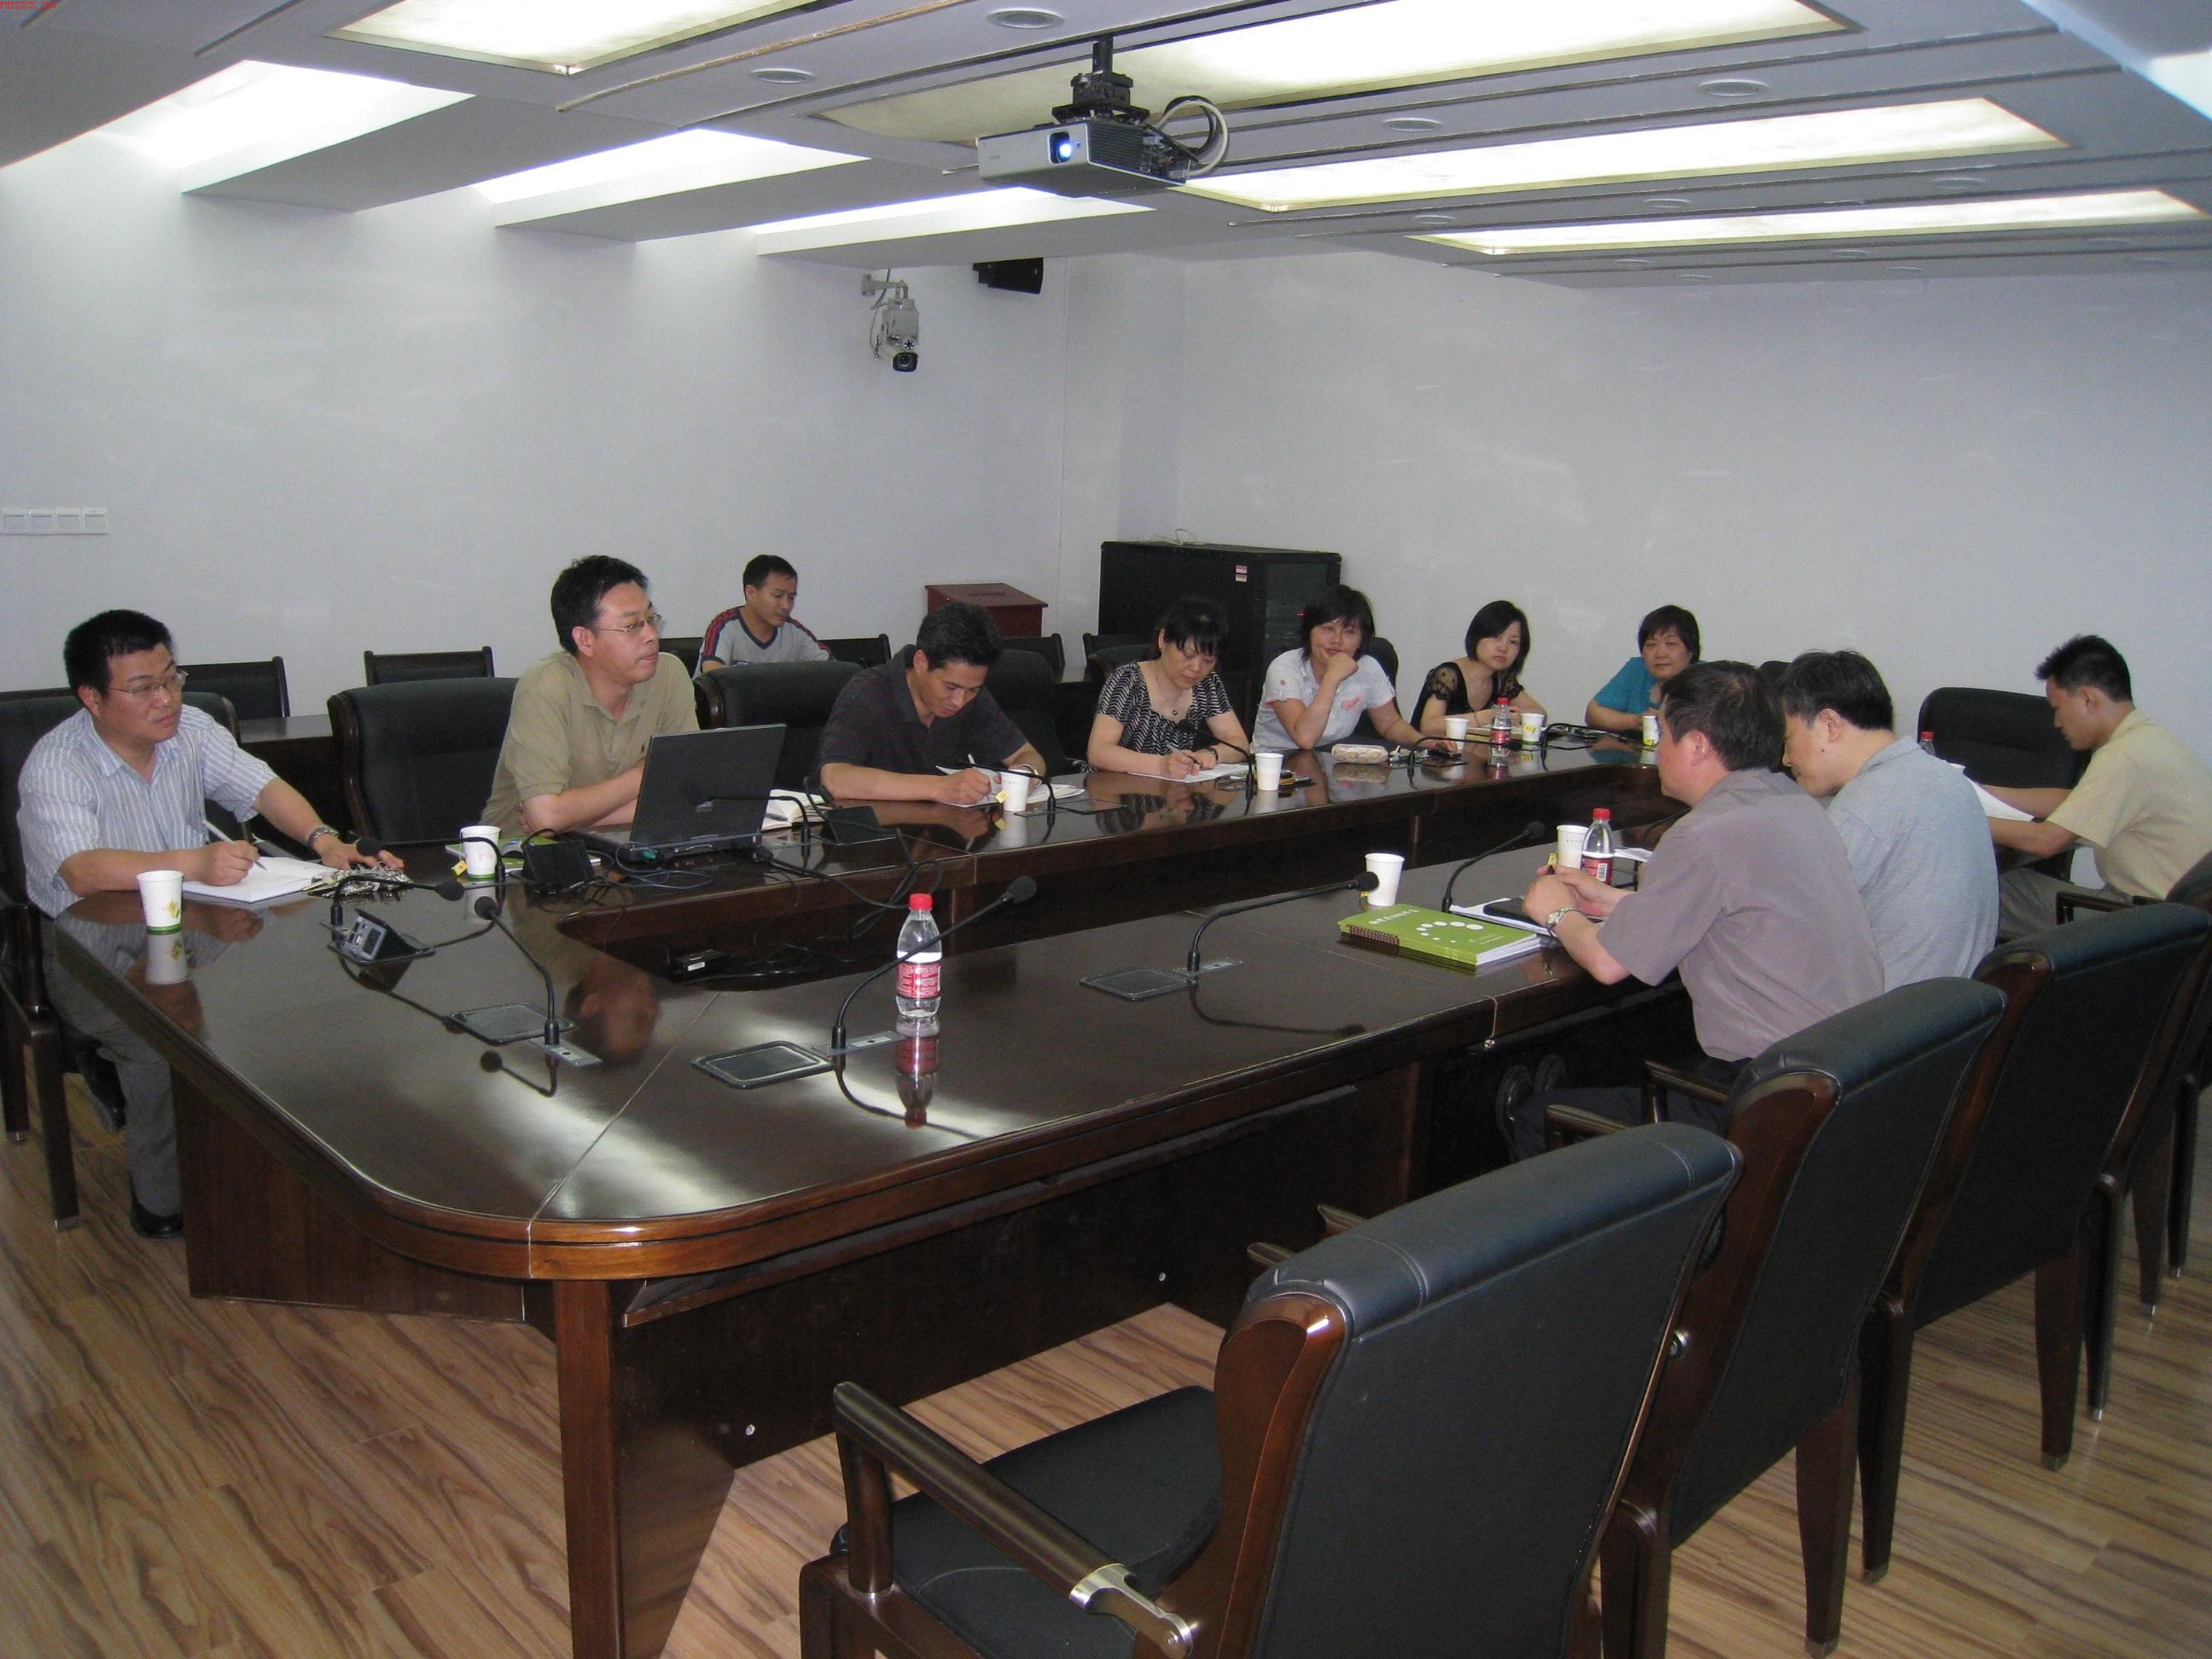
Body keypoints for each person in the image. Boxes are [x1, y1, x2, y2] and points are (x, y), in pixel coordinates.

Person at [16, 609, 397, 1237]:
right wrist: (191, 862)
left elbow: (263, 788)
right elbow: (82, 871)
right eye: (143, 688)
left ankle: (296, 1166)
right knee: (160, 1036)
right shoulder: (59, 764)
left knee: (307, 986)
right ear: (93, 698)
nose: (166, 699)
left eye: (172, 678)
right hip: (86, 946)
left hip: (195, 923)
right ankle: (163, 1201)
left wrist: (325, 840)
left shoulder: (191, 729)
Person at [1512, 661, 1881, 1157]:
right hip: (1841, 1078)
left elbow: (1607, 962)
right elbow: (1742, 909)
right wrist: (1620, 902)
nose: (1657, 748)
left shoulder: (1704, 834)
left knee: (1538, 1116)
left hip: (1768, 1099)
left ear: (1697, 745)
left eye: (1663, 733)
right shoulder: (1797, 806)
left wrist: (1558, 912)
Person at [1778, 649, 1998, 987]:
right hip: (1960, 1009)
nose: (1786, 758)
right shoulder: (1944, 776)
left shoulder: (1866, 804)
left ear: (1830, 725)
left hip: (1890, 1012)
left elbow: (1790, 923)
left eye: (1788, 738)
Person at [1984, 635, 2212, 938]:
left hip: (2153, 924)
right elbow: (2075, 801)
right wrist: (1982, 792)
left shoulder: (2125, 757)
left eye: (2057, 708)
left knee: (1984, 886)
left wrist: (1963, 814)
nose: (2056, 722)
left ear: (2088, 699)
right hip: (2181, 919)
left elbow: (2044, 841)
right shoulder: (2149, 741)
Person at [481, 556, 698, 839]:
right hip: (525, 856)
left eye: (651, 619)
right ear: (585, 640)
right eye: (632, 626)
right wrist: (646, 772)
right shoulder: (546, 686)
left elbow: (689, 793)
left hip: (625, 849)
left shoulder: (669, 674)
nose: (651, 636)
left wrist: (572, 819)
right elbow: (547, 819)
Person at [817, 602, 1046, 805]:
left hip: (943, 830)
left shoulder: (972, 697)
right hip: (875, 834)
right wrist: (938, 787)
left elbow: (1027, 754)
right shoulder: (867, 693)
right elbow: (835, 778)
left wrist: (1026, 775)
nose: (960, 701)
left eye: (973, 690)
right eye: (950, 687)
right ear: (921, 662)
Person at [1251, 585, 1436, 754]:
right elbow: (1305, 739)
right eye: (1327, 629)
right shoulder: (1284, 669)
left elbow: (1390, 724)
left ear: (1362, 639)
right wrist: (1332, 678)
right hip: (1276, 764)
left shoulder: (1368, 667)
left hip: (1330, 761)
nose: (1336, 640)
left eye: (1349, 632)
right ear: (1309, 632)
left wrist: (1423, 742)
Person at [1086, 596, 1252, 778]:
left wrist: (1212, 753)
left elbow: (1239, 745)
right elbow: (1098, 752)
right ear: (1163, 640)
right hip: (1117, 789)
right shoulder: (1128, 680)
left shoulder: (1207, 684)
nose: (1196, 668)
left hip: (1173, 790)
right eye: (1188, 655)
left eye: (1208, 660)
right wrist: (1161, 765)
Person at [1412, 600, 1546, 736]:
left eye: (1513, 642)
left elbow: (1539, 713)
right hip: (1428, 749)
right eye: (1496, 638)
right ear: (1477, 636)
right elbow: (1428, 727)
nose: (1503, 648)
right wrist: (1484, 717)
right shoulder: (1448, 675)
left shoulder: (1500, 678)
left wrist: (1516, 717)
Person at [698, 554, 829, 669]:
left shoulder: (794, 632)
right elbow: (712, 671)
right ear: (751, 593)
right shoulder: (724, 627)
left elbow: (832, 670)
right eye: (778, 596)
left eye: (791, 597)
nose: (786, 606)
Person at [1585, 604, 1699, 734]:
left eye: (1671, 644)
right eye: (1651, 645)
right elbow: (1593, 713)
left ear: (1691, 650)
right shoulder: (1637, 669)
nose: (1660, 654)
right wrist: (1636, 721)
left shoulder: (1707, 678)